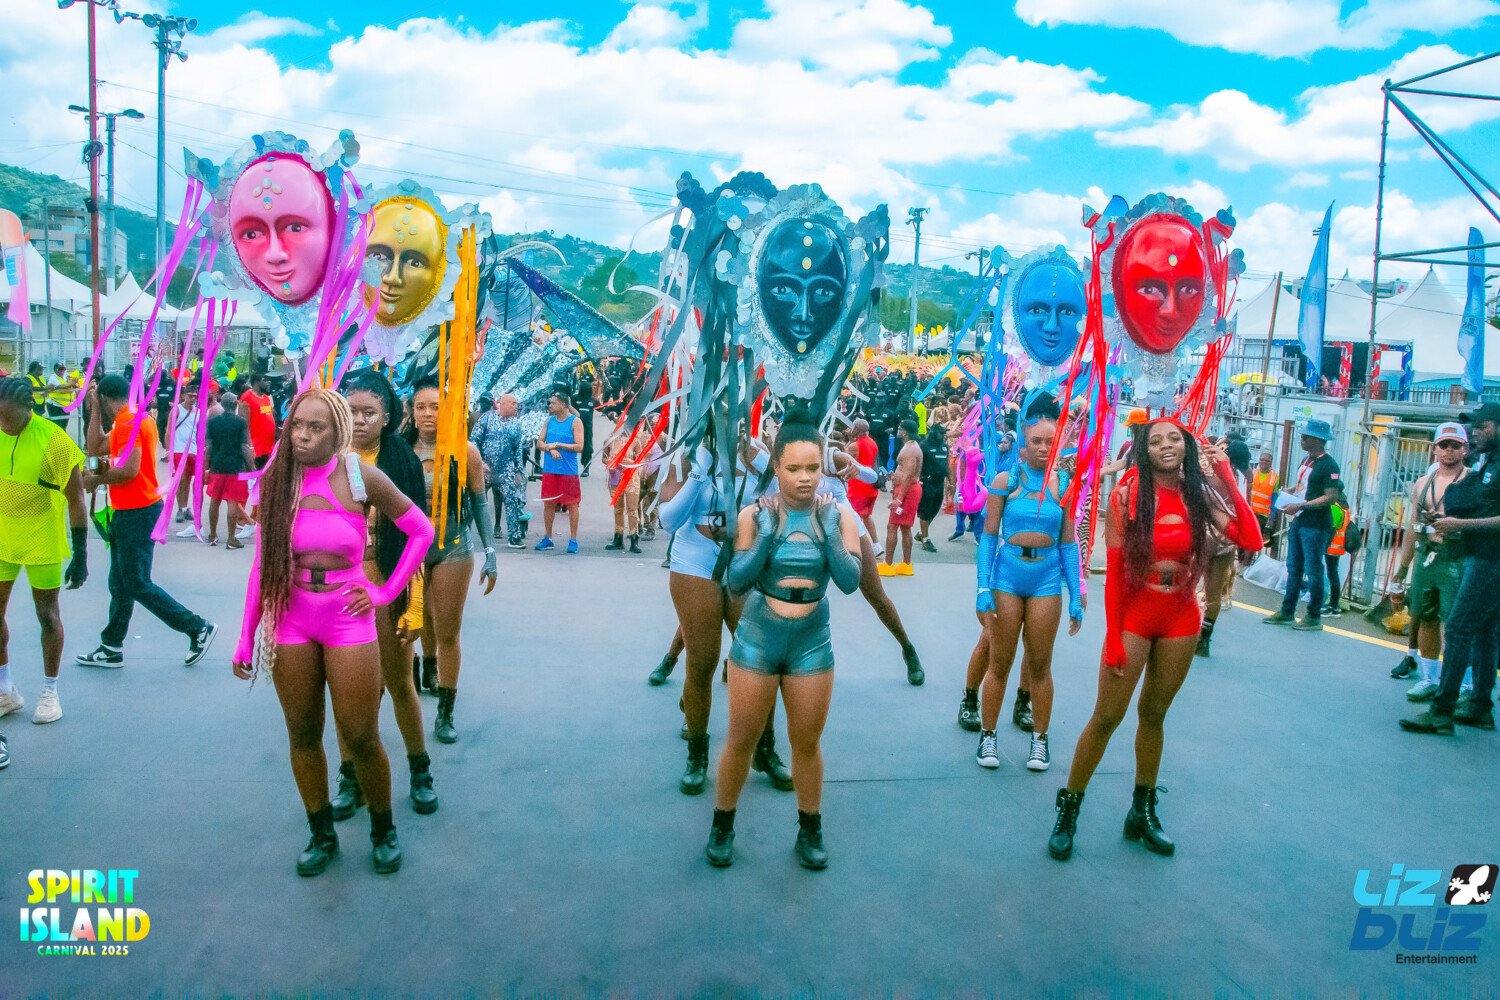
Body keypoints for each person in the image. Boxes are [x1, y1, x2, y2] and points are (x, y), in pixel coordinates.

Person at [231, 387, 434, 876]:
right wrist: (245, 637)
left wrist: (385, 593)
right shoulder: (277, 479)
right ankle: (321, 833)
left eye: (315, 427)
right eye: (296, 425)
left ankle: (383, 829)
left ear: (336, 431)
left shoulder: (360, 476)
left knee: (361, 735)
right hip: (291, 615)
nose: (301, 435)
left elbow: (421, 530)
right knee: (302, 734)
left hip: (347, 616)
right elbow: (261, 565)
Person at [1049, 419, 1260, 861]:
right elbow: (1114, 577)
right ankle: (1069, 810)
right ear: (1144, 450)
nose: (1166, 445)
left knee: (1154, 716)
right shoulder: (1127, 497)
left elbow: (1250, 538)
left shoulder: (1199, 495)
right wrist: (1113, 639)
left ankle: (1141, 812)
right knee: (1106, 717)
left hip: (1181, 616)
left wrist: (1225, 475)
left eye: (1175, 438)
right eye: (1157, 440)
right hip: (1136, 615)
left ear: (1187, 446)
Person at [706, 420, 863, 870]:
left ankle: (810, 829)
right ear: (775, 466)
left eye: (813, 468)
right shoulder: (753, 515)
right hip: (758, 638)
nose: (805, 478)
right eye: (793, 468)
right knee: (741, 739)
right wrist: (767, 533)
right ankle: (722, 825)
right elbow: (737, 582)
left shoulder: (839, 515)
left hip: (811, 641)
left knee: (806, 743)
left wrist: (830, 532)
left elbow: (849, 581)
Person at [656, 435, 792, 796]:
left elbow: (787, 500)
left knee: (761, 661)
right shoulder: (687, 454)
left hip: (744, 561)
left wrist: (760, 462)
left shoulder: (756, 450)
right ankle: (697, 755)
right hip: (695, 561)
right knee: (702, 661)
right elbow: (667, 520)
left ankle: (764, 749)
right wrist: (698, 474)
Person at [329, 372, 438, 819]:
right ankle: (349, 775)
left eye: (369, 412)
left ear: (388, 416)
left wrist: (413, 604)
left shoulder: (401, 461)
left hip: (388, 583)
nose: (359, 420)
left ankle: (420, 770)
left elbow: (417, 539)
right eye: (351, 411)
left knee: (399, 683)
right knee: (348, 692)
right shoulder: (327, 459)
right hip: (337, 591)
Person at [75, 374, 217, 669]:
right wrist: (97, 410)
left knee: (137, 583)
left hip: (137, 511)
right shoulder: (131, 419)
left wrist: (94, 480)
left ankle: (196, 627)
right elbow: (95, 447)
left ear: (104, 397)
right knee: (120, 583)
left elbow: (129, 470)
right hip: (131, 510)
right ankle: (111, 646)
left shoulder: (129, 422)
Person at [973, 396, 1081, 773]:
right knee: (999, 662)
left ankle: (1040, 740)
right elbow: (989, 537)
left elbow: (1068, 543)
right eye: (1036, 441)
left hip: (1046, 580)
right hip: (1007, 576)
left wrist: (1076, 594)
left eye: (1050, 441)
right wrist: (982, 588)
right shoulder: (1006, 482)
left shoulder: (1064, 485)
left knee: (1040, 665)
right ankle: (988, 735)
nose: (1043, 447)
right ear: (1023, 444)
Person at [405, 379, 497, 743]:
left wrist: (491, 553)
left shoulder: (465, 451)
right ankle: (426, 667)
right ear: (411, 412)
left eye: (436, 407)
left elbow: (479, 503)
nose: (428, 414)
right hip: (410, 550)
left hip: (453, 548)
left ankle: (445, 711)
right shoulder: (400, 450)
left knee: (447, 629)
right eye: (421, 407)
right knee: (418, 618)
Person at [1401, 403, 1500, 735]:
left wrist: (1460, 524)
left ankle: (1441, 712)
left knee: (1457, 629)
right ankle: (1479, 707)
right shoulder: (1489, 463)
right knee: (1486, 633)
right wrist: (1447, 519)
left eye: (1483, 427)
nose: (1475, 433)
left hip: (1490, 561)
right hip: (1481, 556)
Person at [0, 376, 88, 726]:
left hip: (43, 536)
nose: (3, 424)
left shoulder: (55, 441)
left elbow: (77, 499)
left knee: (47, 616)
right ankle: (6, 690)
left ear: (29, 408)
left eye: (8, 417)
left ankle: (50, 692)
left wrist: (80, 555)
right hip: (3, 536)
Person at [1391, 423, 1468, 697]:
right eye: (1444, 444)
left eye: (1455, 445)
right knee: (1426, 618)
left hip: (1457, 558)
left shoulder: (1471, 481)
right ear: (1435, 449)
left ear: (1464, 449)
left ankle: (1465, 684)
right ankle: (1429, 678)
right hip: (1427, 556)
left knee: (1458, 623)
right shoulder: (1423, 484)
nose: (1449, 450)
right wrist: (1402, 568)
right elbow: (1412, 528)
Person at [1262, 419, 1340, 632]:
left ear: (1318, 440)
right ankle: (1287, 611)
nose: (1302, 439)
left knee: (1313, 570)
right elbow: (1306, 487)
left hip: (1316, 525)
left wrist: (1301, 505)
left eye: (1306, 437)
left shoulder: (1329, 465)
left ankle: (1313, 616)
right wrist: (1291, 492)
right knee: (1293, 567)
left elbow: (1331, 497)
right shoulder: (1307, 459)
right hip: (1300, 521)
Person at [470, 393, 527, 549]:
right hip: (485, 469)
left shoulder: (516, 424)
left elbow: (518, 449)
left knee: (511, 502)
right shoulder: (486, 418)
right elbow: (474, 441)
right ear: (503, 403)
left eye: (517, 404)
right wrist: (479, 463)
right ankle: (464, 535)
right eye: (513, 404)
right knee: (473, 500)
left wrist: (518, 471)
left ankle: (514, 538)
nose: (516, 407)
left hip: (506, 469)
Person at [203, 391, 256, 548]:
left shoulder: (213, 422)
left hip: (217, 466)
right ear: (235, 404)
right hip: (235, 466)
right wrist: (252, 467)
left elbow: (209, 446)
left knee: (214, 501)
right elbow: (244, 446)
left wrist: (206, 467)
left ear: (223, 404)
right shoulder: (241, 422)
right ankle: (231, 539)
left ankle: (212, 535)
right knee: (233, 502)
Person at [535, 391, 584, 553]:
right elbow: (540, 442)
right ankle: (548, 537)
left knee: (572, 504)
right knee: (548, 504)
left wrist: (558, 445)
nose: (550, 405)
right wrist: (550, 448)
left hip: (568, 471)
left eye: (553, 403)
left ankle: (573, 539)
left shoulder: (575, 422)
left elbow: (579, 446)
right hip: (550, 470)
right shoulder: (549, 420)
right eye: (550, 403)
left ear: (563, 405)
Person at [879, 420, 923, 576]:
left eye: (899, 428)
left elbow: (909, 475)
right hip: (907, 490)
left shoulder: (910, 449)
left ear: (904, 432)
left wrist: (899, 498)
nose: (897, 430)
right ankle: (906, 564)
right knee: (905, 528)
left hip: (907, 492)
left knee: (892, 526)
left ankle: (888, 564)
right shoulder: (911, 447)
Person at [602, 422, 646, 553]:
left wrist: (628, 463)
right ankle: (618, 538)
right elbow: (604, 458)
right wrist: (611, 462)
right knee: (618, 508)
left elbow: (641, 459)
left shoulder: (635, 440)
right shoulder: (609, 440)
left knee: (632, 509)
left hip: (631, 477)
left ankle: (634, 539)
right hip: (615, 476)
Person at [169, 384, 201, 532]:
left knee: (188, 480)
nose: (192, 399)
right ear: (183, 396)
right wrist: (168, 450)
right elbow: (169, 430)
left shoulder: (198, 412)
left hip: (192, 450)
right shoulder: (177, 410)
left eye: (195, 396)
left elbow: (199, 431)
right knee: (180, 480)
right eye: (190, 396)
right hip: (178, 450)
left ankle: (185, 507)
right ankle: (180, 509)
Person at [915, 424, 949, 553]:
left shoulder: (944, 446)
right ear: (934, 433)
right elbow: (918, 463)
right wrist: (917, 480)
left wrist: (951, 482)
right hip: (927, 482)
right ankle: (926, 539)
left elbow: (946, 464)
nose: (944, 436)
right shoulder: (924, 446)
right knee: (925, 511)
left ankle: (921, 533)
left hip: (939, 483)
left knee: (934, 510)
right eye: (942, 433)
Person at [845, 418, 880, 544]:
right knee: (866, 516)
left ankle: (857, 545)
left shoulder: (854, 446)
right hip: (871, 486)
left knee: (853, 518)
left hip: (858, 487)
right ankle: (876, 544)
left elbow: (842, 457)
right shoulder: (872, 442)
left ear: (857, 429)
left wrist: (849, 439)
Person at [239, 373, 277, 470]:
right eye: (265, 380)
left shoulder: (266, 398)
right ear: (257, 382)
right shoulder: (247, 398)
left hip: (268, 447)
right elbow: (244, 425)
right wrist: (250, 447)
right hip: (256, 449)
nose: (268, 382)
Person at [1323, 487, 1350, 617]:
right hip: (1338, 546)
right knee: (1333, 574)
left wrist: (1323, 545)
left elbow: (1331, 528)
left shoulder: (1335, 506)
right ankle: (1334, 605)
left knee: (1332, 575)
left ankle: (1333, 606)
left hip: (1332, 546)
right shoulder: (1345, 505)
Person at [1248, 450, 1278, 547]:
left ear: (1271, 463)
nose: (1264, 462)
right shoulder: (1252, 472)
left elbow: (1274, 501)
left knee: (1256, 544)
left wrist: (1270, 524)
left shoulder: (1275, 477)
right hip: (1250, 512)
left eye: (1267, 460)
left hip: (1263, 516)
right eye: (1261, 459)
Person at [45, 363, 77, 433]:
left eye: (64, 369)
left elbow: (72, 386)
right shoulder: (53, 378)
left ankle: (61, 439)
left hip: (65, 405)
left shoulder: (65, 377)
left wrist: (73, 384)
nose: (62, 371)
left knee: (63, 426)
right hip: (55, 406)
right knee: (57, 426)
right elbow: (62, 386)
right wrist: (72, 383)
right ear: (55, 370)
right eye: (60, 369)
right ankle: (56, 439)